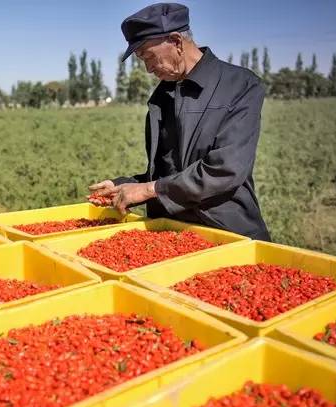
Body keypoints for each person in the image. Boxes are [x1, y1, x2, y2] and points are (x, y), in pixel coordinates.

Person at [90, 3, 270, 240]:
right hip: (173, 233)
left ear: (176, 41)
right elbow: (169, 171)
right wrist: (125, 186)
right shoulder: (164, 96)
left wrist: (147, 190)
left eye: (149, 56)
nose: (148, 69)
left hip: (227, 232)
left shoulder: (240, 85)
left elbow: (225, 169)